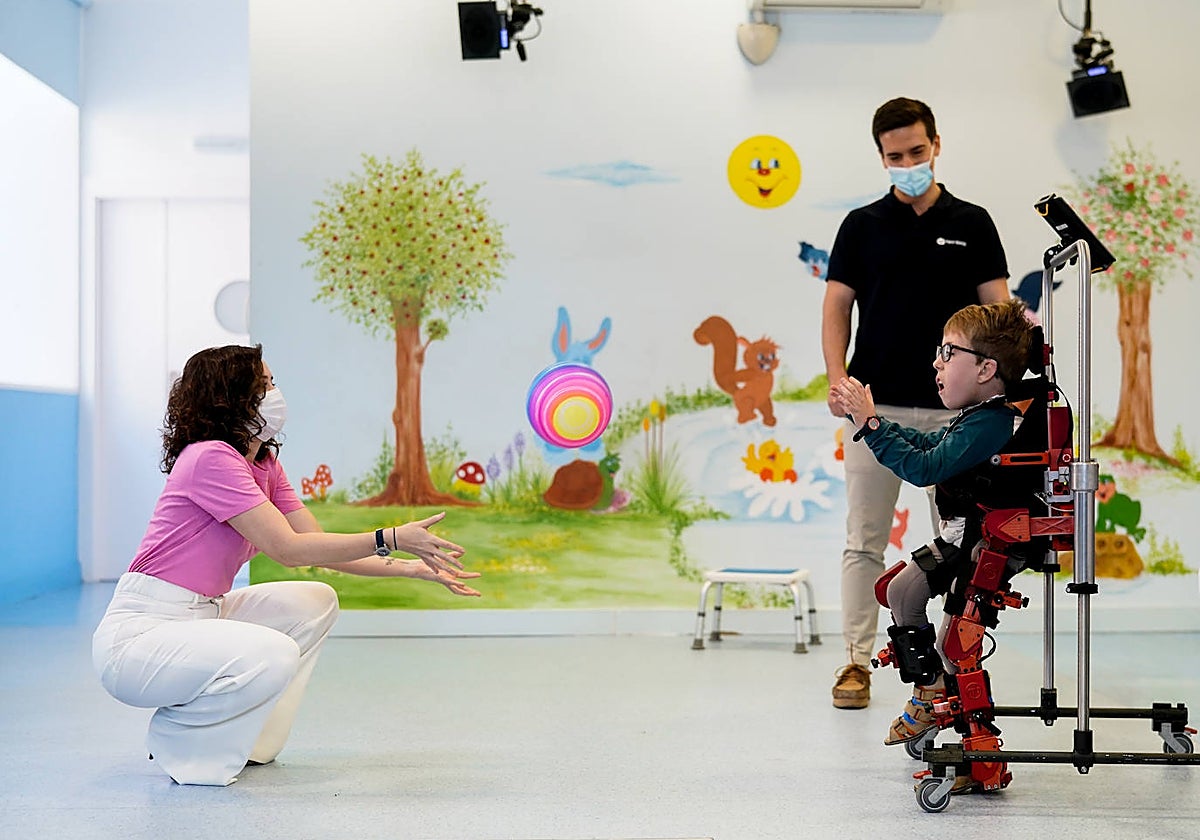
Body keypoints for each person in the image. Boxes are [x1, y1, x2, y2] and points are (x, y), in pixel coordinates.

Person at [92, 344, 482, 786]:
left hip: (203, 614)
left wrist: (411, 567)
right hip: (141, 633)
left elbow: (314, 546)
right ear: (230, 397)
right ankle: (179, 739)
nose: (275, 394)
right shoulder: (209, 458)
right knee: (273, 653)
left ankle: (250, 742)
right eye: (263, 385)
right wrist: (391, 537)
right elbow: (288, 550)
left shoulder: (263, 464)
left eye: (273, 383)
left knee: (315, 600)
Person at [821, 97, 1010, 710]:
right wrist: (837, 381)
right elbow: (835, 309)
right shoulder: (860, 226)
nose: (908, 163)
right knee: (864, 538)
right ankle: (855, 663)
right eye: (895, 156)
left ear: (936, 145)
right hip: (874, 411)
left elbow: (1000, 318)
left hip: (957, 416)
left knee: (958, 544)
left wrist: (1003, 389)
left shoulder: (975, 222)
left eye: (917, 151)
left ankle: (954, 666)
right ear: (882, 157)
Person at [833, 297, 1035, 750]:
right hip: (962, 538)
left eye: (948, 353)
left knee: (952, 641)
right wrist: (877, 423)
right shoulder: (979, 419)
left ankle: (945, 709)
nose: (936, 362)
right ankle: (930, 691)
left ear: (986, 370)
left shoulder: (991, 424)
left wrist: (870, 424)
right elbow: (928, 445)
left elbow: (926, 468)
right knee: (900, 591)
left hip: (981, 544)